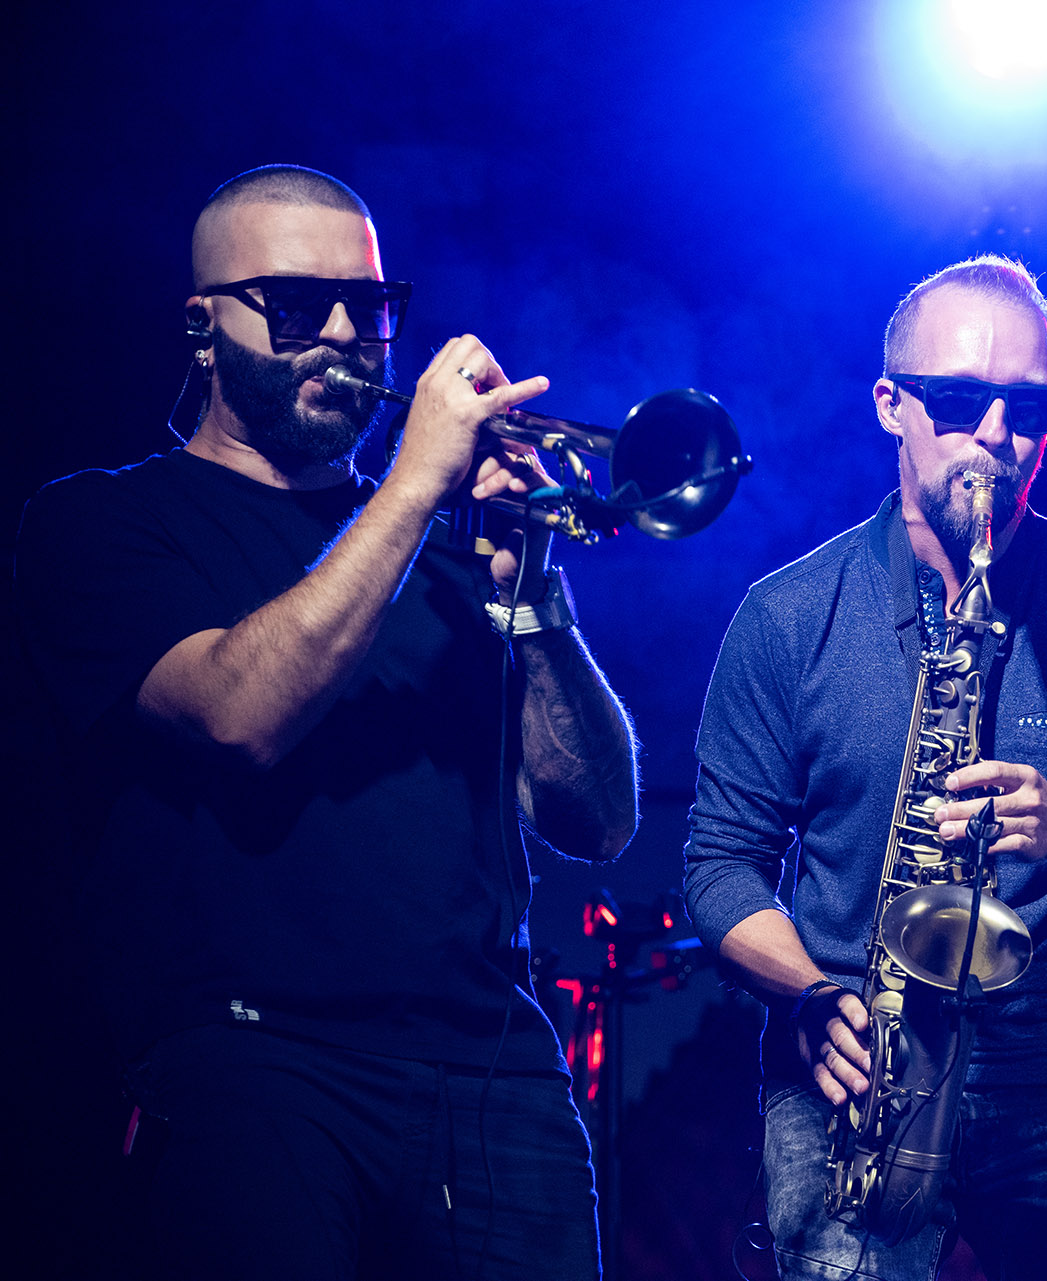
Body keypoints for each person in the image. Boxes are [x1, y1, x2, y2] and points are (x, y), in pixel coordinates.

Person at [13, 165, 637, 1279]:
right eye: (300, 309)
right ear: (203, 329)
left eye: (373, 309)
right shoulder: (102, 523)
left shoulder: (444, 552)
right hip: (253, 1070)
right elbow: (236, 715)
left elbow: (596, 820)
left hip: (494, 1078)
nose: (348, 336)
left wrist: (533, 591)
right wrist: (412, 488)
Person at [682, 255, 1047, 1280]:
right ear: (892, 404)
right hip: (856, 1053)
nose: (998, 440)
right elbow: (718, 866)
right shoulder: (787, 615)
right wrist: (810, 998)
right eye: (961, 402)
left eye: (1029, 410)